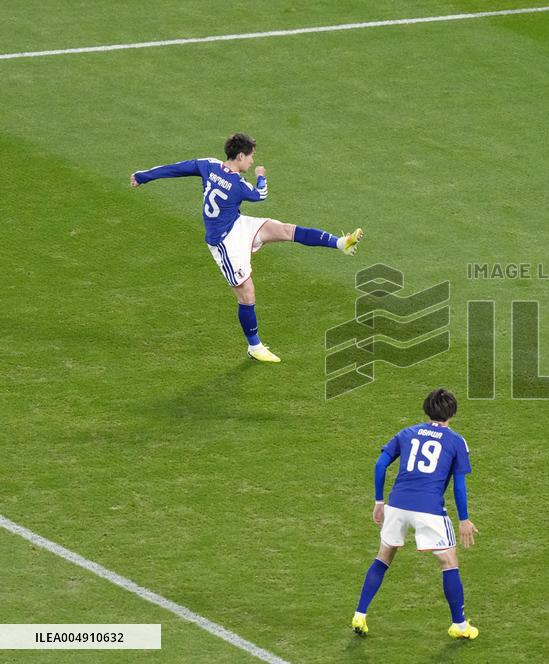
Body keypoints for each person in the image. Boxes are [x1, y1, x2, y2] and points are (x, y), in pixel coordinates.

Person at [130, 133, 363, 363]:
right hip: (224, 243)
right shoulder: (238, 185)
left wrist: (143, 176)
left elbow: (175, 168)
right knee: (247, 294)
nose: (252, 162)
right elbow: (260, 194)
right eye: (251, 157)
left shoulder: (208, 165)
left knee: (284, 230)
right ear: (240, 156)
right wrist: (261, 176)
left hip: (238, 224)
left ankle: (340, 243)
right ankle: (255, 347)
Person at [351, 389, 480, 639]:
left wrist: (379, 501)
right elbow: (459, 485)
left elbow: (379, 465)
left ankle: (360, 614)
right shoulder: (456, 441)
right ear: (452, 413)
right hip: (429, 509)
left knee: (383, 558)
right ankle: (460, 626)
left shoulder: (407, 433)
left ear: (426, 409)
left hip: (397, 505)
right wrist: (464, 519)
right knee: (449, 562)